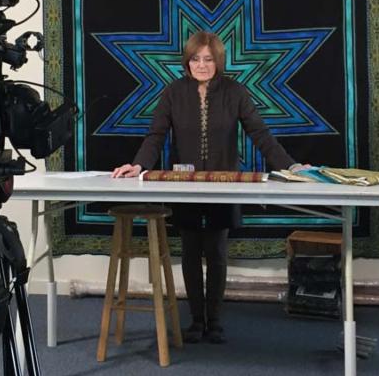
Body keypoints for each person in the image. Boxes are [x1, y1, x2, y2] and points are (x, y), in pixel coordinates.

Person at [112, 31, 306, 344]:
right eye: (195, 59)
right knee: (190, 250)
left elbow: (260, 134)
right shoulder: (173, 92)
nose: (201, 65)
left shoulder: (235, 92)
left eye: (208, 59)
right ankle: (195, 320)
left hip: (223, 184)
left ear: (218, 62)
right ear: (187, 62)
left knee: (216, 250)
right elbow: (156, 135)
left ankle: (214, 321)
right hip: (183, 185)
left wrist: (290, 166)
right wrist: (139, 165)